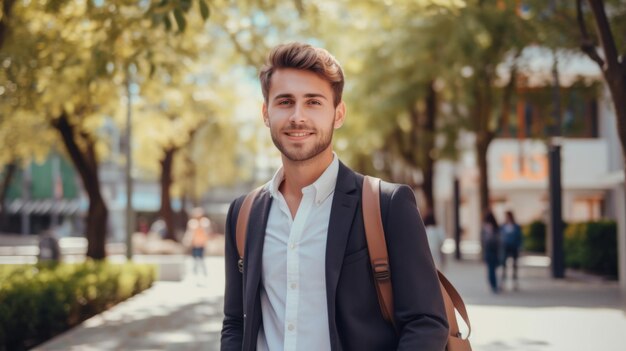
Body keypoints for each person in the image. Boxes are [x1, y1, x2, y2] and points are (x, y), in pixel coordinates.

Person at [221, 43, 448, 351]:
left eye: (313, 102)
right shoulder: (243, 213)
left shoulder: (387, 205)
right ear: (266, 113)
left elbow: (425, 323)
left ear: (338, 114)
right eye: (285, 102)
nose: (297, 117)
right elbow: (236, 322)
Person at [184, 207, 211, 277]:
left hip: (202, 244)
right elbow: (189, 233)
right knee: (194, 259)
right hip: (194, 244)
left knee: (201, 258)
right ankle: (194, 273)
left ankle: (204, 272)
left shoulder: (205, 222)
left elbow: (208, 232)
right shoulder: (192, 223)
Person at [500, 210, 523, 289]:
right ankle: (503, 282)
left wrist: (519, 246)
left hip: (514, 247)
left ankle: (514, 282)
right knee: (504, 265)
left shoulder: (516, 226)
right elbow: (500, 237)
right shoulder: (503, 226)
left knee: (514, 266)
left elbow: (519, 237)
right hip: (505, 248)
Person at [481, 210, 501, 294]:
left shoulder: (487, 228)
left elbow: (483, 241)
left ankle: (493, 285)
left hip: (490, 251)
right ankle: (494, 285)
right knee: (492, 269)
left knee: (491, 269)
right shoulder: (495, 228)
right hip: (494, 251)